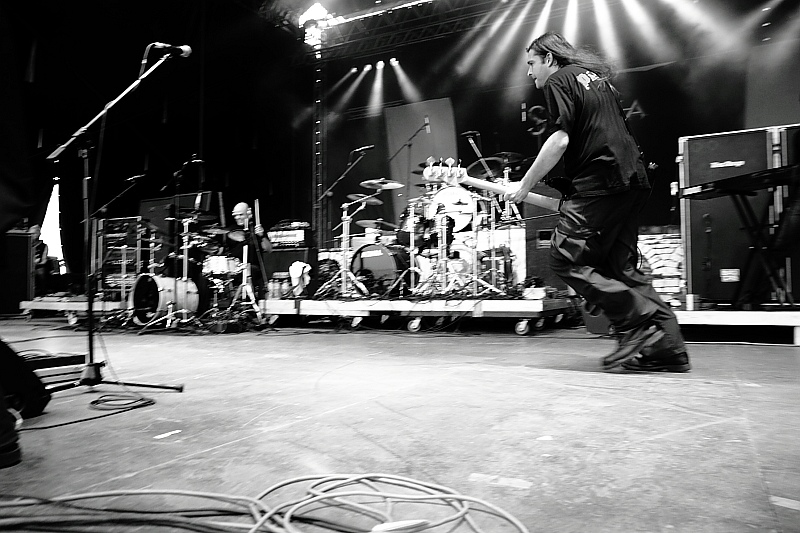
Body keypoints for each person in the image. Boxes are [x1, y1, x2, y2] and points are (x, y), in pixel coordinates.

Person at [504, 31, 690, 372]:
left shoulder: (559, 79)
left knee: (563, 257)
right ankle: (668, 349)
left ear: (549, 57)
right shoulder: (597, 80)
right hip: (632, 179)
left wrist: (525, 184)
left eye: (531, 64)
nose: (530, 73)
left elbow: (560, 139)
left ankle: (635, 323)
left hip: (602, 182)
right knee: (622, 267)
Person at [226, 202, 272, 298]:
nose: (237, 217)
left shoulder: (256, 229)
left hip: (253, 267)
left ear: (249, 214)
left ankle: (250, 301)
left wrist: (262, 236)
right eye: (235, 215)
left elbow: (269, 249)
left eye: (241, 214)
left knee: (250, 270)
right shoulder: (231, 230)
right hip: (234, 267)